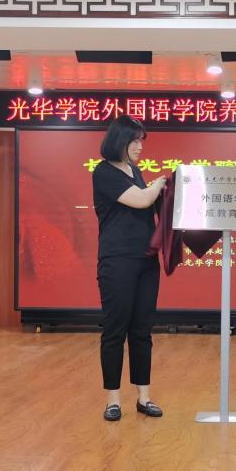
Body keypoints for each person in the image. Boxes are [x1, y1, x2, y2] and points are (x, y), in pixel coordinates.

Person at [92, 115, 167, 422]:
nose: (139, 147)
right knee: (115, 330)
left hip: (145, 260)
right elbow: (141, 200)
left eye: (141, 141)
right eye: (135, 141)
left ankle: (143, 396)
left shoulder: (133, 170)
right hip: (117, 261)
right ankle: (113, 400)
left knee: (142, 330)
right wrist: (160, 182)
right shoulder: (103, 172)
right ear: (119, 141)